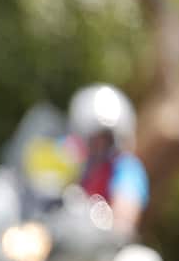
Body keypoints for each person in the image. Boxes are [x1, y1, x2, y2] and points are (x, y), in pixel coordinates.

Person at [63, 83, 148, 235]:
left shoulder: (126, 168)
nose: (99, 143)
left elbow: (125, 217)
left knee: (140, 259)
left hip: (101, 249)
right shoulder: (70, 154)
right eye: (95, 136)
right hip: (59, 238)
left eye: (106, 138)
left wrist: (116, 226)